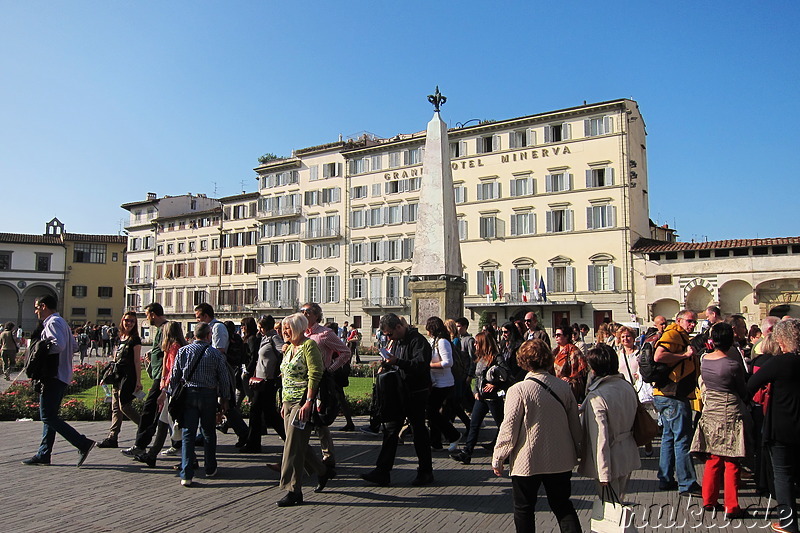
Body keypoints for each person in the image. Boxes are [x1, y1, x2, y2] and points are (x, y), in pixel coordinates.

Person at [492, 339, 582, 533]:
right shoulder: (563, 387)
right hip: (560, 457)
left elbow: (509, 427)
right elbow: (575, 423)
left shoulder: (518, 390)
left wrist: (499, 455)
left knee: (524, 509)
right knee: (562, 505)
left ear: (523, 361)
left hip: (528, 460)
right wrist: (579, 449)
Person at [22, 295, 95, 466]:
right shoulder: (61, 322)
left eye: (36, 307)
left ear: (43, 306)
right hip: (62, 374)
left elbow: (59, 345)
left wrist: (41, 353)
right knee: (50, 416)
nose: (35, 311)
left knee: (47, 416)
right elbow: (74, 346)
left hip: (54, 376)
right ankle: (44, 453)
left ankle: (82, 443)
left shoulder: (53, 322)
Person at [362, 313, 434, 487]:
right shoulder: (397, 342)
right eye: (386, 335)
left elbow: (420, 364)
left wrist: (397, 361)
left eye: (390, 334)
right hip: (398, 391)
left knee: (418, 431)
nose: (388, 337)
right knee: (391, 430)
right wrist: (386, 364)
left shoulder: (418, 341)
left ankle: (425, 471)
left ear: (399, 327)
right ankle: (382, 471)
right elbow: (393, 361)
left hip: (416, 392)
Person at [689, 322, 752, 520]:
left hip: (711, 410)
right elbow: (741, 389)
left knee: (713, 457)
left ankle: (709, 499)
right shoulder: (732, 364)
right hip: (730, 409)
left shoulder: (705, 360)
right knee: (732, 459)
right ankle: (732, 506)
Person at [746, 319, 800, 533]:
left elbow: (750, 386)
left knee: (783, 475)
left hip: (781, 426)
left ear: (780, 340)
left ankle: (789, 523)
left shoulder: (779, 363)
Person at [275, 312, 331, 506]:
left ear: (298, 328)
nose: (284, 332)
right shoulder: (289, 348)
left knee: (291, 447)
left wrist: (309, 401)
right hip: (288, 401)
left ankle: (293, 490)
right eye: (283, 329)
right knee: (298, 444)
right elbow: (284, 377)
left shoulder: (309, 346)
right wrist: (283, 402)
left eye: (288, 328)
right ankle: (323, 471)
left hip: (301, 401)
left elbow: (316, 373)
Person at [169, 321, 232, 487]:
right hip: (208, 395)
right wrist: (225, 398)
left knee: (188, 433)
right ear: (208, 335)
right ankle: (210, 467)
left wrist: (173, 394)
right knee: (208, 432)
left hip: (189, 394)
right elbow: (224, 378)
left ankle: (186, 473)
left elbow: (174, 376)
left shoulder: (183, 351)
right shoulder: (215, 354)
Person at [578, 344, 641, 499]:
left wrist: (603, 473)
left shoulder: (597, 396)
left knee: (609, 509)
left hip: (609, 458)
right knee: (618, 501)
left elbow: (600, 439)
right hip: (627, 452)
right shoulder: (626, 386)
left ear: (594, 369)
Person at [652, 309, 701, 496]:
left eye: (694, 321)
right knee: (682, 438)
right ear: (679, 320)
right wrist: (684, 356)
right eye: (690, 321)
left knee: (669, 437)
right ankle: (687, 482)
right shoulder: (673, 334)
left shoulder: (679, 335)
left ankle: (665, 478)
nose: (693, 324)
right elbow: (659, 356)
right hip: (672, 394)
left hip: (668, 394)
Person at [300, 303, 352, 465]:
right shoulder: (301, 333)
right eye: (301, 311)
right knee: (302, 420)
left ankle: (327, 456)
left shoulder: (325, 334)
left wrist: (330, 369)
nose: (303, 314)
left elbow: (345, 352)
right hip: (302, 381)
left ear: (316, 315)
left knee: (319, 420)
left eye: (307, 312)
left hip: (319, 381)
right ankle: (298, 455)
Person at [134, 320, 187, 468]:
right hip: (170, 388)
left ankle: (190, 458)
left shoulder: (174, 347)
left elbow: (173, 371)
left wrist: (164, 390)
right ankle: (152, 455)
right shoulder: (173, 347)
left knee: (174, 424)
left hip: (172, 390)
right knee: (163, 423)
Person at [194, 303, 248, 444]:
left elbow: (219, 350)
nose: (197, 320)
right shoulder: (211, 327)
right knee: (215, 404)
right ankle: (204, 433)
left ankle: (243, 432)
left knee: (226, 404)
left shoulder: (217, 327)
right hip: (214, 370)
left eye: (198, 317)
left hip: (220, 370)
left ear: (206, 316)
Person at [451, 331, 505, 465]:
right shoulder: (480, 358)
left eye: (477, 342)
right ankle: (467, 453)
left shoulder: (497, 358)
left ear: (483, 343)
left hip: (493, 398)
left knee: (502, 424)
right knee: (474, 424)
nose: (474, 345)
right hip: (480, 397)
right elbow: (477, 377)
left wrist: (495, 384)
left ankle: (506, 451)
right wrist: (475, 391)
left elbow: (506, 375)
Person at [122, 303, 168, 457]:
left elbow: (167, 353)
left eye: (147, 314)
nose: (147, 318)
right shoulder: (162, 330)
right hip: (160, 376)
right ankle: (157, 448)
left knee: (149, 410)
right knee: (161, 414)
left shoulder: (165, 329)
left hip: (161, 377)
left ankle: (140, 445)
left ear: (153, 314)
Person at [241, 315, 286, 453]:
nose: (259, 329)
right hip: (260, 380)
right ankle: (253, 443)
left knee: (265, 413)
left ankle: (254, 443)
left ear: (264, 327)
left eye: (260, 327)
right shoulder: (264, 338)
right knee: (261, 412)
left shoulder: (274, 338)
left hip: (268, 381)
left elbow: (284, 350)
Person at [97, 312, 142, 448]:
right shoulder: (120, 337)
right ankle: (112, 437)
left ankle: (145, 426)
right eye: (127, 320)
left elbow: (136, 361)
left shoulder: (135, 340)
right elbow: (115, 358)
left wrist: (138, 381)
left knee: (124, 406)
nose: (129, 323)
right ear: (122, 320)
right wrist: (107, 375)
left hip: (128, 376)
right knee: (115, 407)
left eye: (132, 321)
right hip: (117, 375)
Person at [425, 316, 461, 451]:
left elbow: (448, 362)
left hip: (444, 383)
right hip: (436, 382)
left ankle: (453, 434)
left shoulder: (442, 342)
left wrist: (430, 365)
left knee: (432, 411)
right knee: (433, 412)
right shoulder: (433, 341)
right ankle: (435, 442)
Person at [553, 324, 588, 404]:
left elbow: (581, 372)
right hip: (555, 386)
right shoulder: (555, 351)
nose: (556, 337)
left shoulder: (574, 351)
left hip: (569, 389)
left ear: (566, 336)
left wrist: (570, 378)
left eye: (558, 335)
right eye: (555, 335)